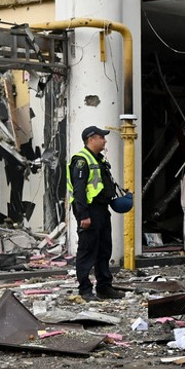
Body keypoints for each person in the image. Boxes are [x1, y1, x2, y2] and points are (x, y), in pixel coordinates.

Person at [68, 125, 121, 300]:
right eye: (102, 137)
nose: (105, 140)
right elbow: (79, 190)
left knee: (105, 249)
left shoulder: (99, 159)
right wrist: (83, 215)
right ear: (91, 139)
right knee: (87, 250)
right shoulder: (81, 161)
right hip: (89, 210)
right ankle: (85, 290)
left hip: (102, 210)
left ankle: (104, 287)